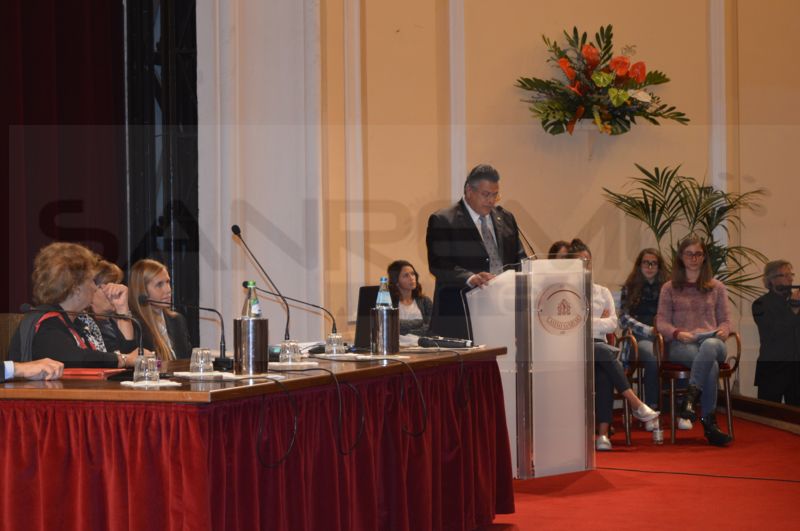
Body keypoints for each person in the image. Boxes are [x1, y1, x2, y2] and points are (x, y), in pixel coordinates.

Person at [569, 239, 659, 451]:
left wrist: (586, 321)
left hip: (599, 349)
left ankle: (602, 435)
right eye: (579, 261)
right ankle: (636, 403)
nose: (584, 265)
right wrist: (597, 321)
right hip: (574, 349)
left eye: (587, 260)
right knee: (602, 351)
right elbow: (570, 325)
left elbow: (612, 324)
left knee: (603, 371)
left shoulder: (602, 292)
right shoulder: (565, 293)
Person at [425, 164, 526, 339]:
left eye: (495, 195)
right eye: (486, 194)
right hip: (461, 315)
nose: (491, 201)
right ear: (469, 191)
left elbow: (520, 258)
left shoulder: (506, 218)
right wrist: (471, 278)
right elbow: (439, 264)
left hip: (505, 312)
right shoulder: (444, 220)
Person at [8, 242, 140, 368]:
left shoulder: (82, 321)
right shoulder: (45, 323)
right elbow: (78, 358)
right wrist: (124, 359)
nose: (95, 288)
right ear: (76, 288)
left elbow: (126, 357)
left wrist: (122, 309)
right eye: (91, 281)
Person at [656, 235, 732, 446]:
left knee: (710, 347)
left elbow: (726, 320)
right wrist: (677, 333)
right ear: (681, 257)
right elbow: (661, 322)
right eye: (689, 254)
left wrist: (724, 330)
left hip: (713, 341)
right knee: (711, 366)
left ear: (704, 257)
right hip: (683, 343)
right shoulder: (669, 288)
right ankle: (710, 424)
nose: (694, 258)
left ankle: (690, 399)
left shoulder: (717, 287)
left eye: (698, 254)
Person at [618, 248, 690, 430]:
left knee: (683, 354)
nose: (650, 267)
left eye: (654, 263)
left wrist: (666, 329)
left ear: (659, 266)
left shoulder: (668, 288)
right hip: (638, 337)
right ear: (639, 265)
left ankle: (681, 411)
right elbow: (623, 319)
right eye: (646, 263)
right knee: (652, 358)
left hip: (665, 336)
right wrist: (649, 330)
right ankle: (651, 410)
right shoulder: (629, 287)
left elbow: (676, 315)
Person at [752, 260, 800, 405]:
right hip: (772, 369)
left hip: (796, 369)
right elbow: (773, 332)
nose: (790, 279)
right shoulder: (760, 304)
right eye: (785, 275)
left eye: (790, 275)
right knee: (768, 414)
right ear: (771, 280)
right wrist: (793, 309)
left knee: (796, 416)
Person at [129, 258, 193, 360]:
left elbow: (187, 361)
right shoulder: (134, 324)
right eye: (159, 285)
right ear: (143, 291)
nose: (168, 290)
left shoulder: (177, 320)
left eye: (168, 282)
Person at [74, 260, 140, 355]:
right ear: (92, 289)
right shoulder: (83, 323)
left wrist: (122, 308)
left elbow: (130, 353)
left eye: (117, 285)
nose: (116, 292)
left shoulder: (115, 321)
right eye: (109, 286)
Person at [387, 260, 433, 336]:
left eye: (413, 274)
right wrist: (420, 322)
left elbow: (432, 327)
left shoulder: (425, 301)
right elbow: (389, 327)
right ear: (396, 281)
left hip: (421, 342)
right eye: (406, 275)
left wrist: (406, 330)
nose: (411, 278)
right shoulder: (389, 303)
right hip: (397, 343)